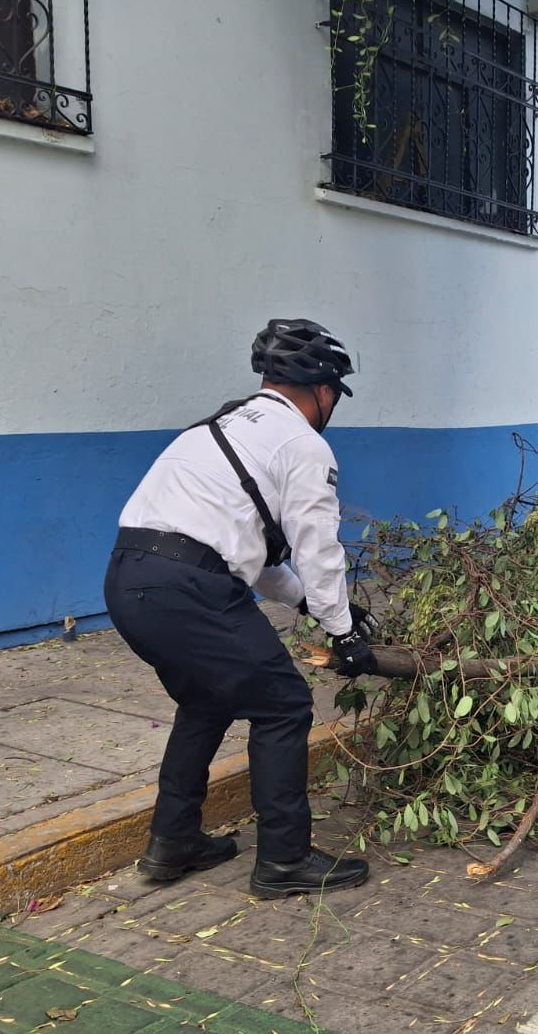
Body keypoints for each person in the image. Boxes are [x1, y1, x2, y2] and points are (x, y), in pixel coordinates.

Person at [105, 319, 379, 899]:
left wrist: (317, 607)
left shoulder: (216, 428)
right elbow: (318, 547)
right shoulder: (303, 443)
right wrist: (343, 634)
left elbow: (250, 559)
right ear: (324, 390)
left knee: (204, 700)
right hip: (188, 589)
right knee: (283, 704)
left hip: (129, 578)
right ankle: (285, 860)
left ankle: (172, 843)